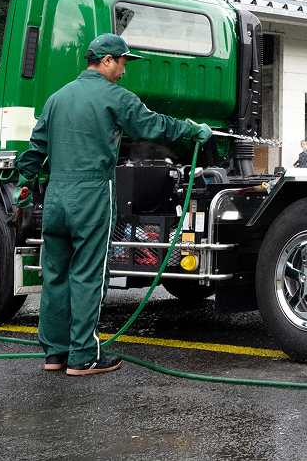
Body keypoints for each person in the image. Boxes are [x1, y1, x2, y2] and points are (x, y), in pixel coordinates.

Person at [14, 33, 210, 376]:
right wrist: (191, 129)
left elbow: (35, 150)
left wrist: (24, 185)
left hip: (56, 197)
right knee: (89, 274)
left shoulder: (56, 99)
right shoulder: (115, 97)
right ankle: (83, 356)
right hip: (90, 196)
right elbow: (152, 125)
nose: (124, 70)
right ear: (106, 60)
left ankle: (55, 353)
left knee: (55, 275)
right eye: (122, 62)